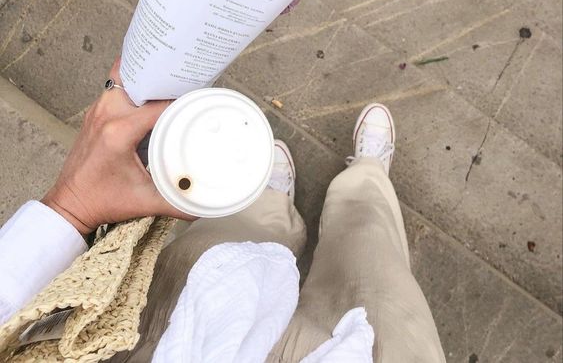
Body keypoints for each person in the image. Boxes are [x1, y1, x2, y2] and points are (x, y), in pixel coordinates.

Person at [0, 60, 446, 362]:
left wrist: (72, 206)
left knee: (223, 246)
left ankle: (272, 209)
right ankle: (365, 185)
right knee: (375, 273)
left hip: (172, 337)